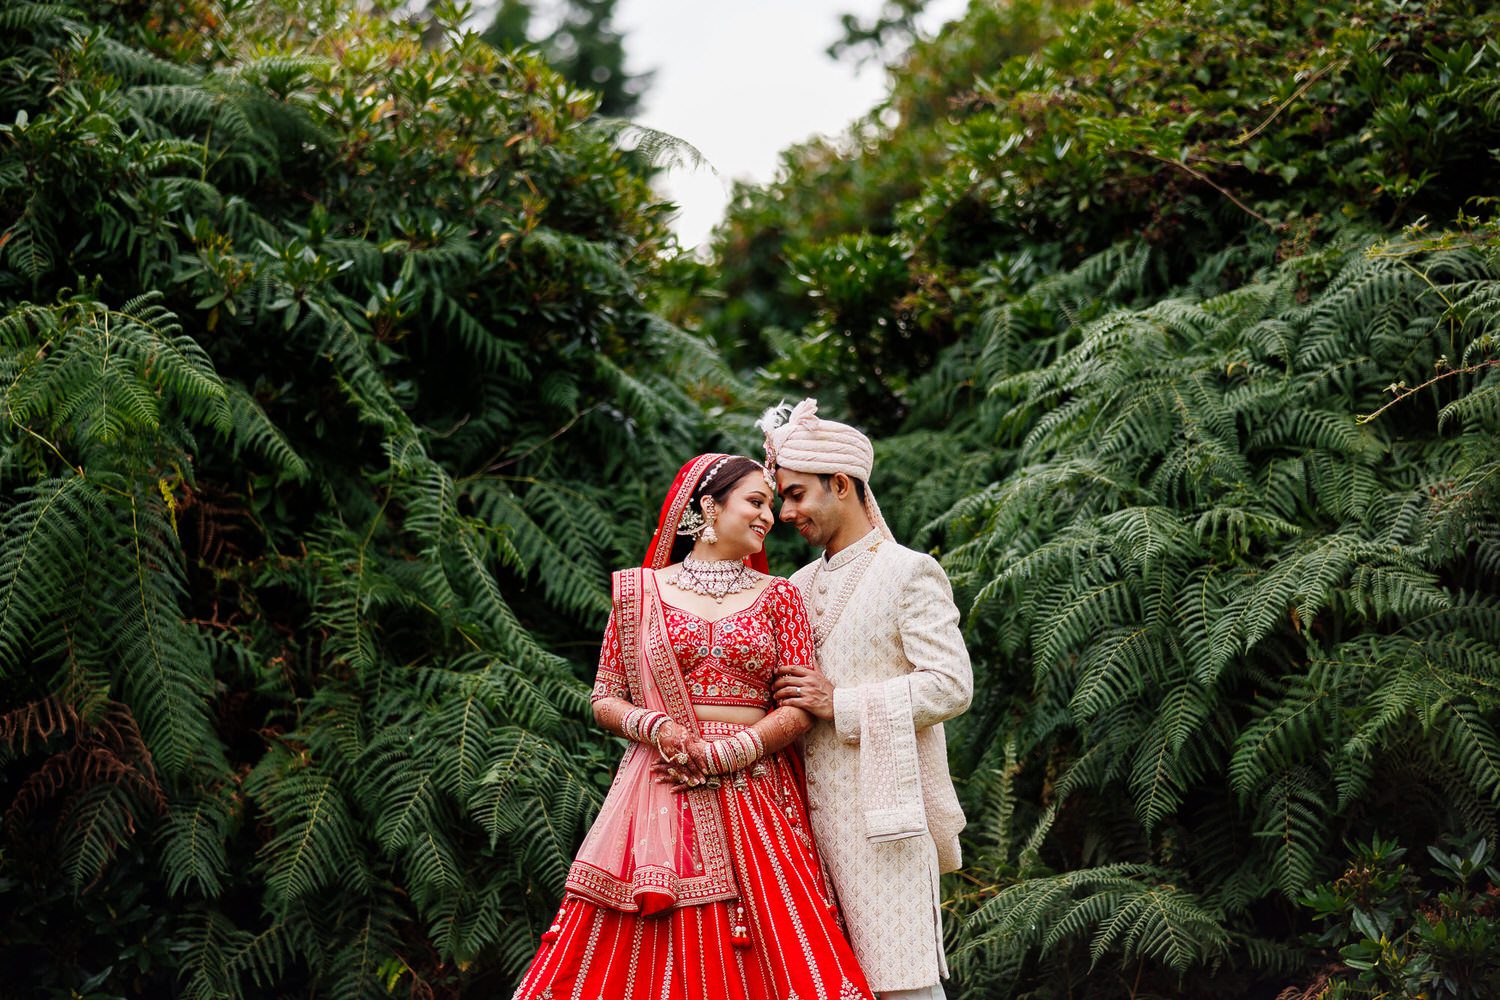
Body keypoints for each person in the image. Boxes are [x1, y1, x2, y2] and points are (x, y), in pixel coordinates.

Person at [512, 453, 874, 1000]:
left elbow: (799, 707)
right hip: (661, 784)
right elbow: (605, 697)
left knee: (785, 946)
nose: (768, 517)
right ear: (708, 505)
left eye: (772, 506)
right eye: (755, 502)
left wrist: (730, 753)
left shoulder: (781, 598)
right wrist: (659, 729)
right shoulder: (641, 594)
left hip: (753, 789)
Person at [760, 400, 972, 1000]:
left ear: (842, 485)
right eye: (782, 497)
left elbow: (952, 684)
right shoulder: (794, 588)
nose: (787, 512)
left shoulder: (909, 572)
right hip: (802, 829)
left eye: (797, 495)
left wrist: (842, 703)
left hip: (886, 826)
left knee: (902, 987)